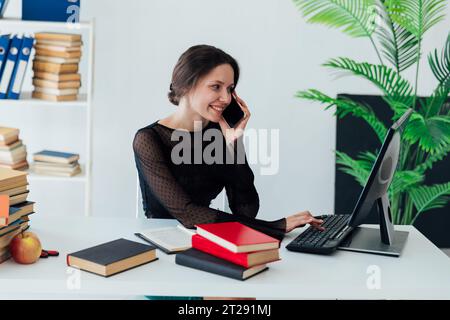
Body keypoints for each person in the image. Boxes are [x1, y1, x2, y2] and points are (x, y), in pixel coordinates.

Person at [133, 44, 324, 244]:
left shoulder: (219, 132)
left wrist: (235, 145)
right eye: (216, 86)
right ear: (188, 85)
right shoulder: (148, 139)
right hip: (162, 243)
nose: (225, 98)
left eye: (230, 89)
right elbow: (188, 214)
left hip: (206, 238)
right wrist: (276, 226)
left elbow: (246, 210)